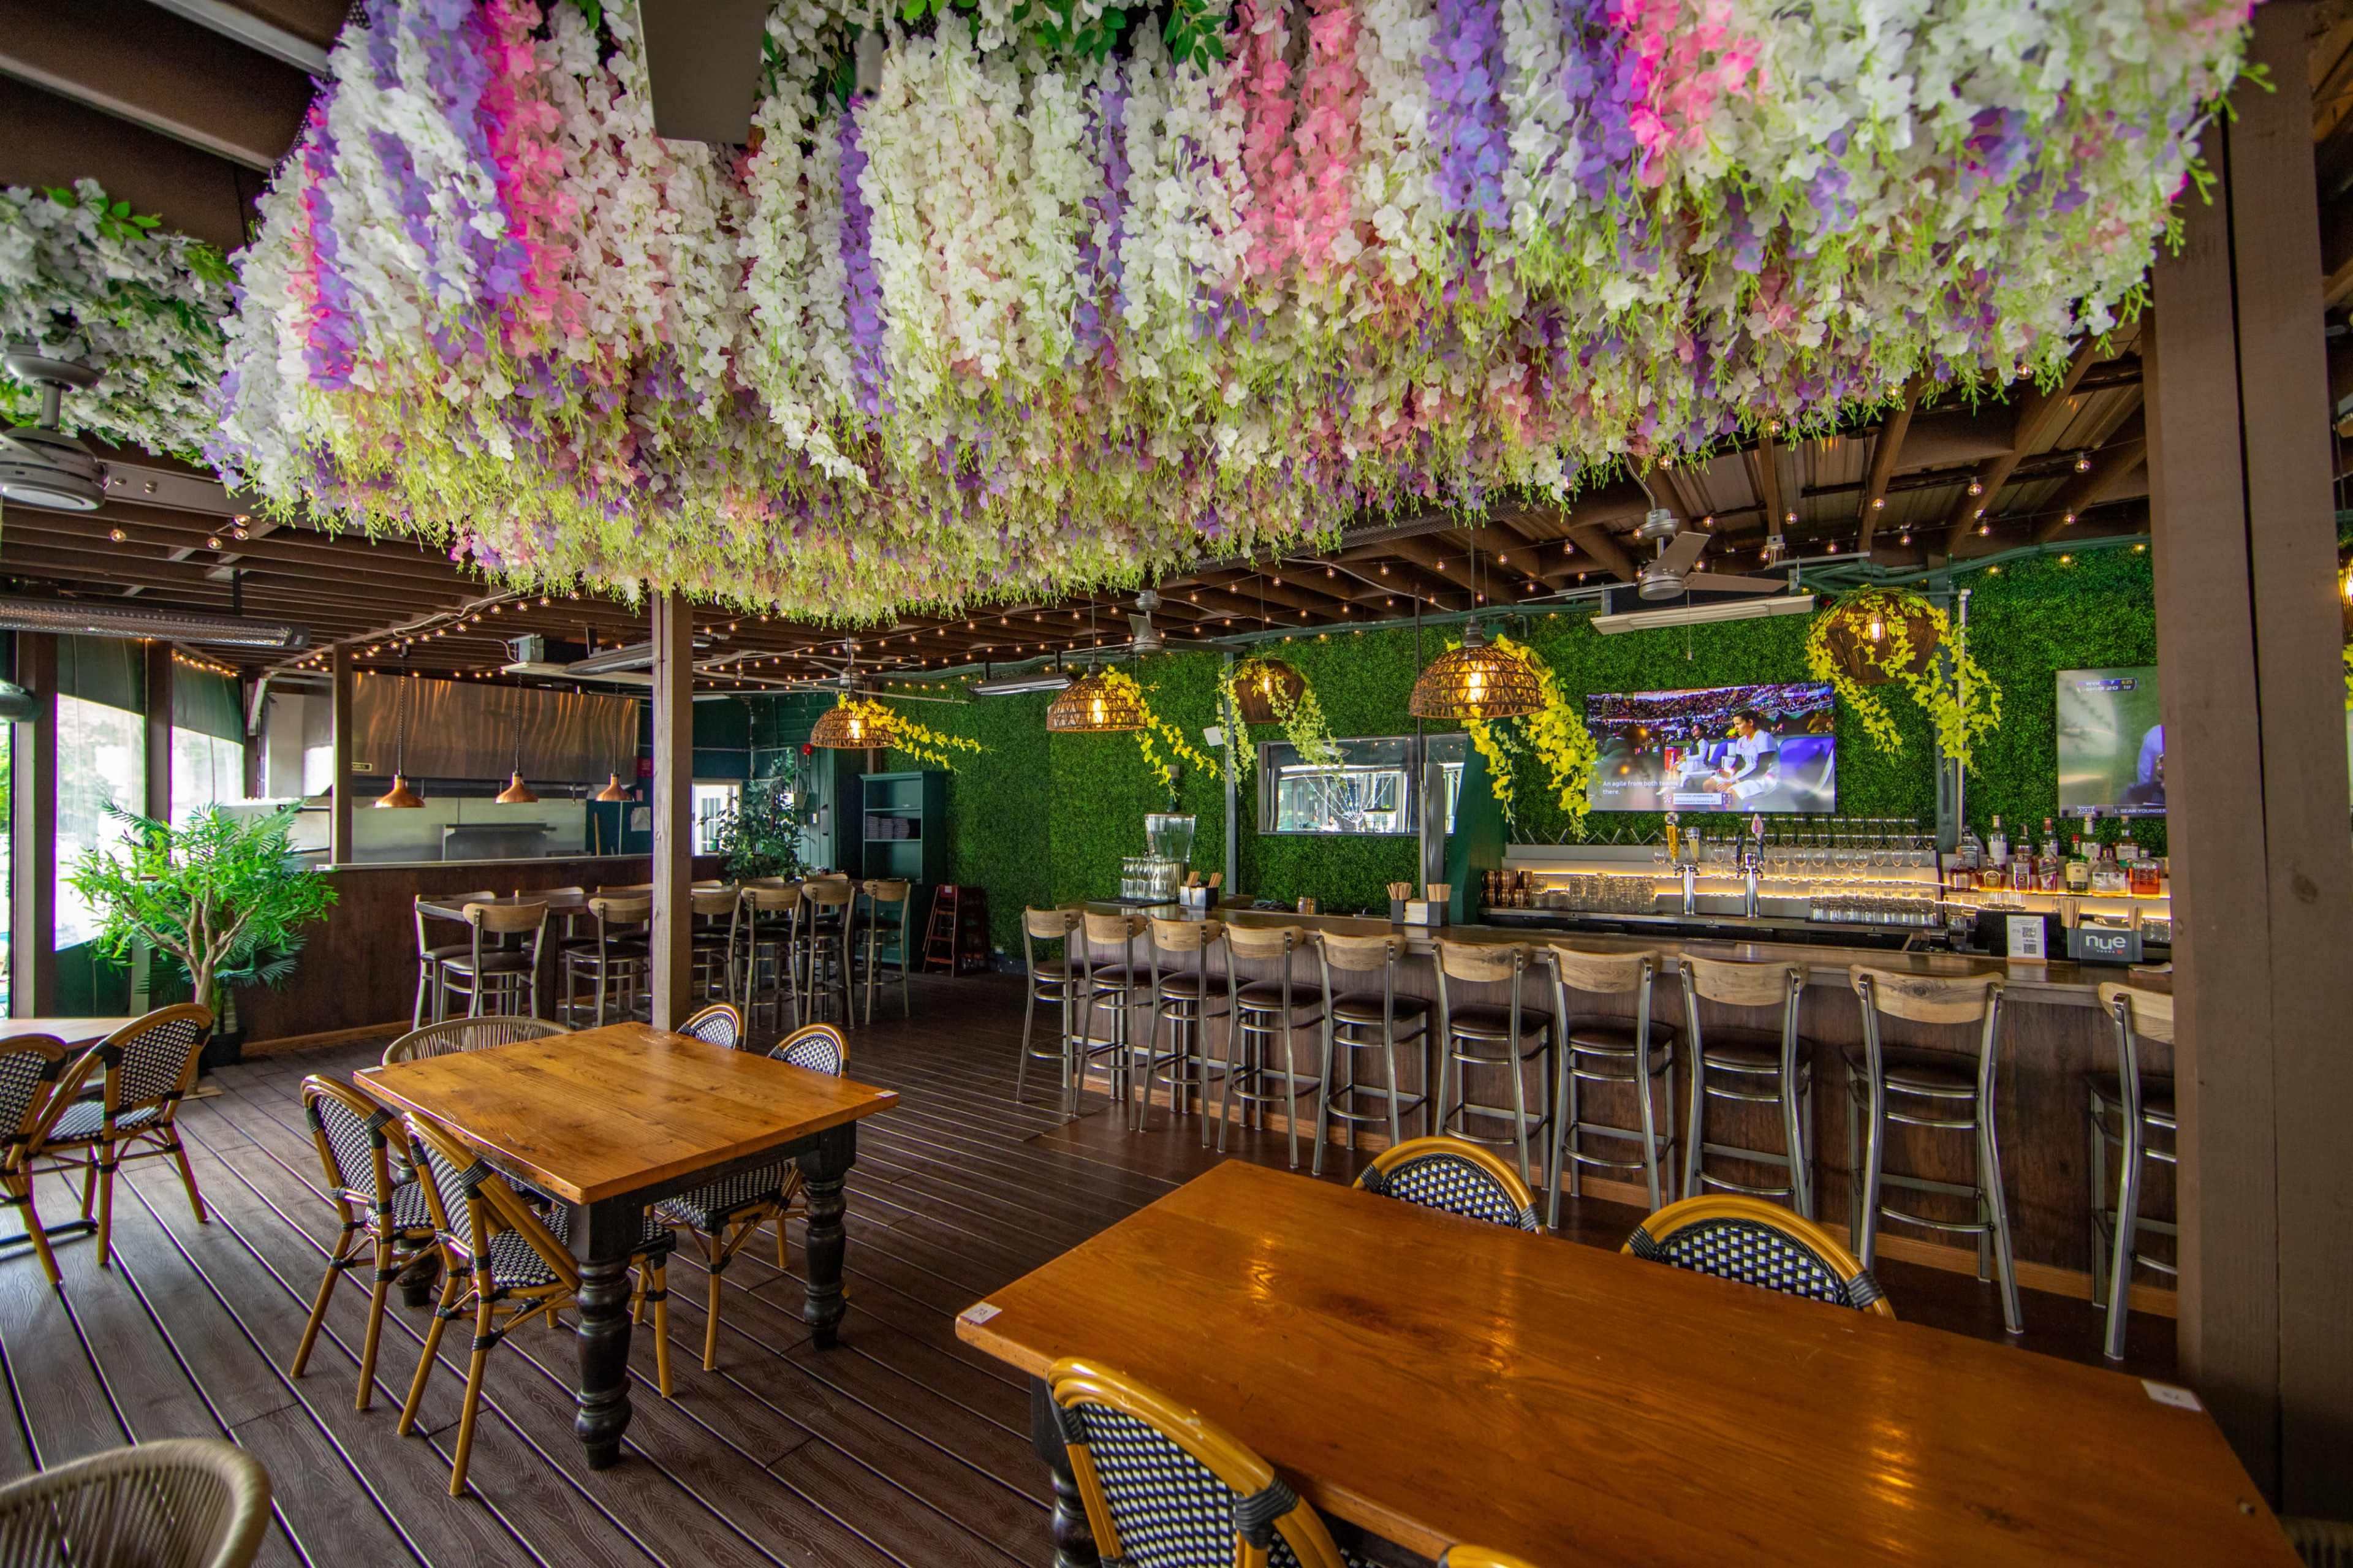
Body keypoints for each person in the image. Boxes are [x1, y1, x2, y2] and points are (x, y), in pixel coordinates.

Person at [1702, 709, 1781, 804]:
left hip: (1764, 777)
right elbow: (1739, 763)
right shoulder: (1741, 741)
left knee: (1729, 794)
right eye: (1734, 724)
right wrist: (1729, 772)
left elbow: (1761, 769)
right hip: (1745, 774)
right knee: (1708, 785)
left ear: (1750, 722)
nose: (1735, 728)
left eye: (1738, 724)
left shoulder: (1765, 738)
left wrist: (1734, 783)